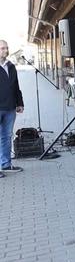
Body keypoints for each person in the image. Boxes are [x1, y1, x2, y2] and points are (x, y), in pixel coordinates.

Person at [0, 39, 24, 178]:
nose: (6, 50)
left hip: (10, 108)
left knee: (6, 137)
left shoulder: (11, 66)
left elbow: (16, 86)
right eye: (2, 48)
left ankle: (6, 164)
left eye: (6, 48)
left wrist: (20, 103)